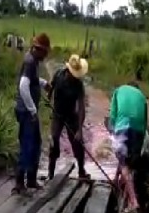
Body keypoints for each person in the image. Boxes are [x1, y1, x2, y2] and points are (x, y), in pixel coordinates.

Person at [14, 33, 51, 194]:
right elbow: (23, 86)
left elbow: (31, 80)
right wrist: (33, 110)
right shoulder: (30, 62)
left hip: (28, 111)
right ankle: (19, 183)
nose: (46, 55)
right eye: (45, 52)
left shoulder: (32, 61)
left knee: (35, 144)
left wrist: (43, 83)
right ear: (39, 50)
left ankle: (30, 180)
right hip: (27, 112)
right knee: (28, 145)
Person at [47, 54, 91, 181]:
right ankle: (51, 174)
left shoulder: (78, 84)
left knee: (77, 143)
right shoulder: (58, 75)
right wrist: (48, 97)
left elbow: (82, 106)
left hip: (71, 115)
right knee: (54, 140)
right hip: (57, 113)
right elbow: (51, 87)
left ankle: (81, 171)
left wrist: (80, 130)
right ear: (69, 70)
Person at [108, 81, 148, 213]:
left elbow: (112, 117)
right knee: (128, 162)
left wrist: (113, 134)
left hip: (123, 127)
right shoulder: (142, 96)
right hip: (139, 130)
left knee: (124, 162)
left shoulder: (118, 90)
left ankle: (133, 201)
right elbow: (145, 123)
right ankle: (124, 196)